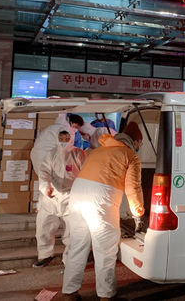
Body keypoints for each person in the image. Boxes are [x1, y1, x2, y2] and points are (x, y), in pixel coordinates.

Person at [62, 122, 145, 301]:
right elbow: (133, 188)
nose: (139, 147)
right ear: (135, 142)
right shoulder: (130, 155)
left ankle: (69, 293)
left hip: (77, 195)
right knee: (105, 248)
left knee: (77, 245)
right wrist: (138, 214)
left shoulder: (98, 149)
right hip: (100, 198)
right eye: (140, 143)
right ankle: (106, 296)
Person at [34, 130, 88, 268]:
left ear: (72, 138)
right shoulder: (51, 154)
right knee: (43, 227)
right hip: (51, 196)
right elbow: (44, 172)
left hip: (71, 197)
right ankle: (45, 255)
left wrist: (82, 192)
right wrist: (45, 187)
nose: (64, 140)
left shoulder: (80, 154)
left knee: (71, 231)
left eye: (66, 137)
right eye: (61, 137)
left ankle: (69, 262)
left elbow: (86, 175)